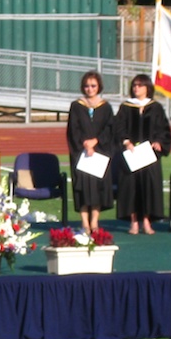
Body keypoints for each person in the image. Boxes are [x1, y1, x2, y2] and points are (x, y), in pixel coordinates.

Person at [116, 74, 171, 235]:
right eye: (134, 85)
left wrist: (159, 142)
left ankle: (147, 221)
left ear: (148, 88)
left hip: (149, 156)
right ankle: (134, 222)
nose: (136, 88)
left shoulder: (156, 107)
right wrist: (126, 141)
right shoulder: (126, 107)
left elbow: (164, 130)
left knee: (149, 188)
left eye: (140, 85)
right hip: (131, 155)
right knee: (131, 188)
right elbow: (118, 128)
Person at [66, 71, 116, 233]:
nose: (90, 89)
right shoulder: (76, 106)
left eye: (93, 86)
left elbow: (110, 129)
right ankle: (84, 222)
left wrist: (96, 141)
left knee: (97, 188)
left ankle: (94, 221)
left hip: (99, 153)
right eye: (87, 86)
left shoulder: (106, 107)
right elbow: (73, 129)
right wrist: (85, 144)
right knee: (82, 187)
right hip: (81, 154)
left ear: (99, 86)